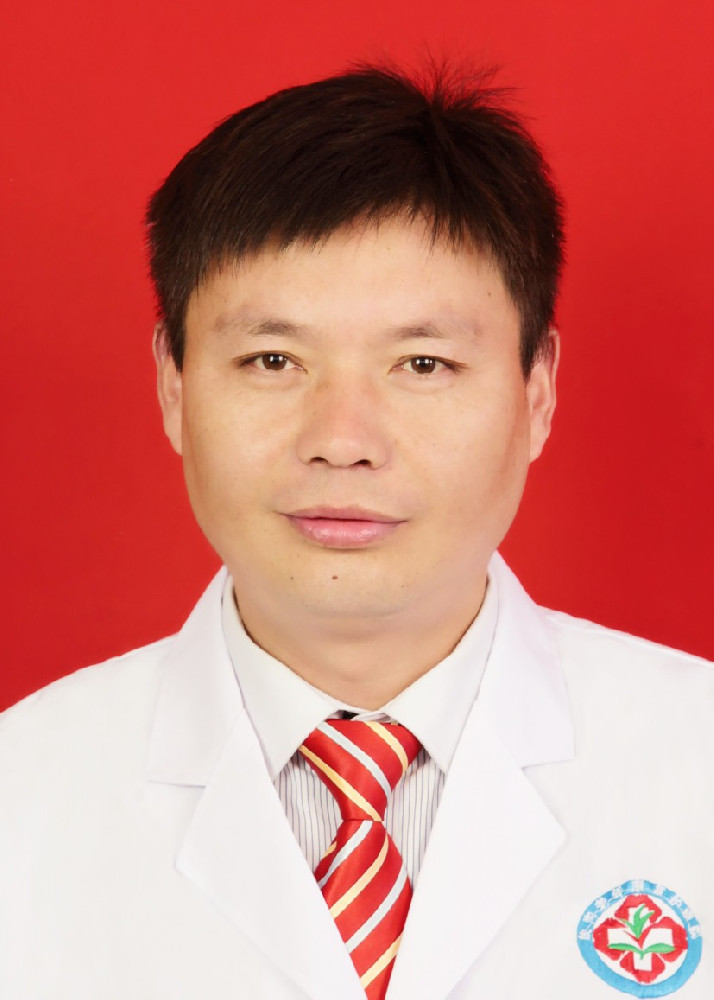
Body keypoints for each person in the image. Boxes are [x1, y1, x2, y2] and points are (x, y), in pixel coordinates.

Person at [1, 63, 711, 1000]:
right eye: (272, 360)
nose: (342, 441)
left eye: (423, 364)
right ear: (173, 385)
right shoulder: (23, 795)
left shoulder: (694, 758)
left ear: (537, 391)